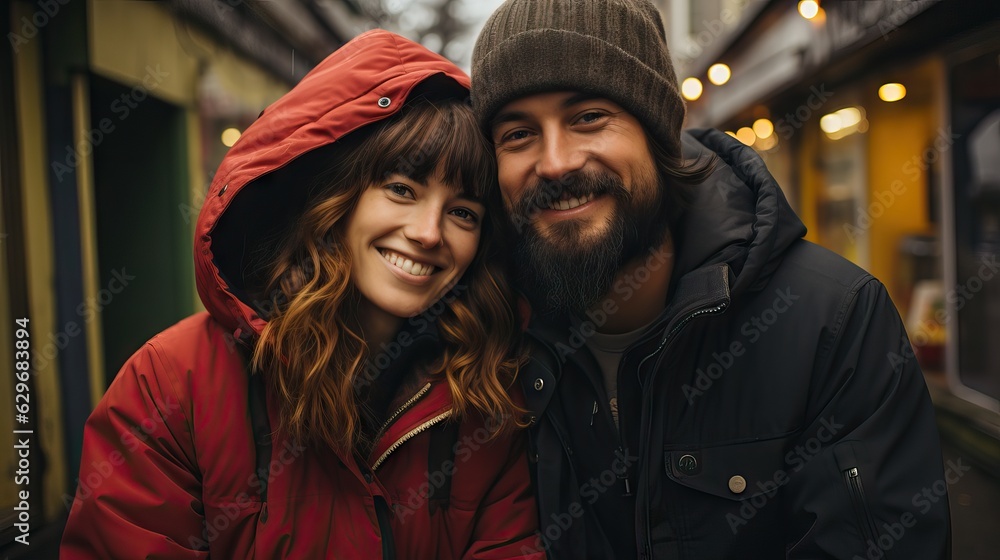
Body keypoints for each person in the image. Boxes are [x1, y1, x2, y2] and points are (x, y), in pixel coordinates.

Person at [470, 0, 952, 558]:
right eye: (518, 134)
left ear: (660, 134)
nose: (554, 162)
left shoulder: (833, 322)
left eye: (588, 117)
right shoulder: (482, 335)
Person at [60, 30, 543, 559]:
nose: (429, 232)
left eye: (463, 213)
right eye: (401, 190)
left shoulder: (488, 399)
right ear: (336, 199)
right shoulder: (171, 385)